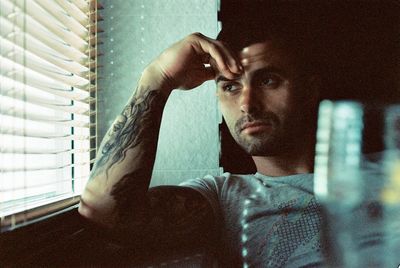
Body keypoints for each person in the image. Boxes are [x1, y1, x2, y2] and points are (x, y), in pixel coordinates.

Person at [78, 1, 400, 267]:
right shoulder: (223, 198)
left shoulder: (389, 170)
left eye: (268, 81)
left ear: (308, 89)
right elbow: (105, 211)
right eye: (231, 87)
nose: (247, 104)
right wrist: (158, 78)